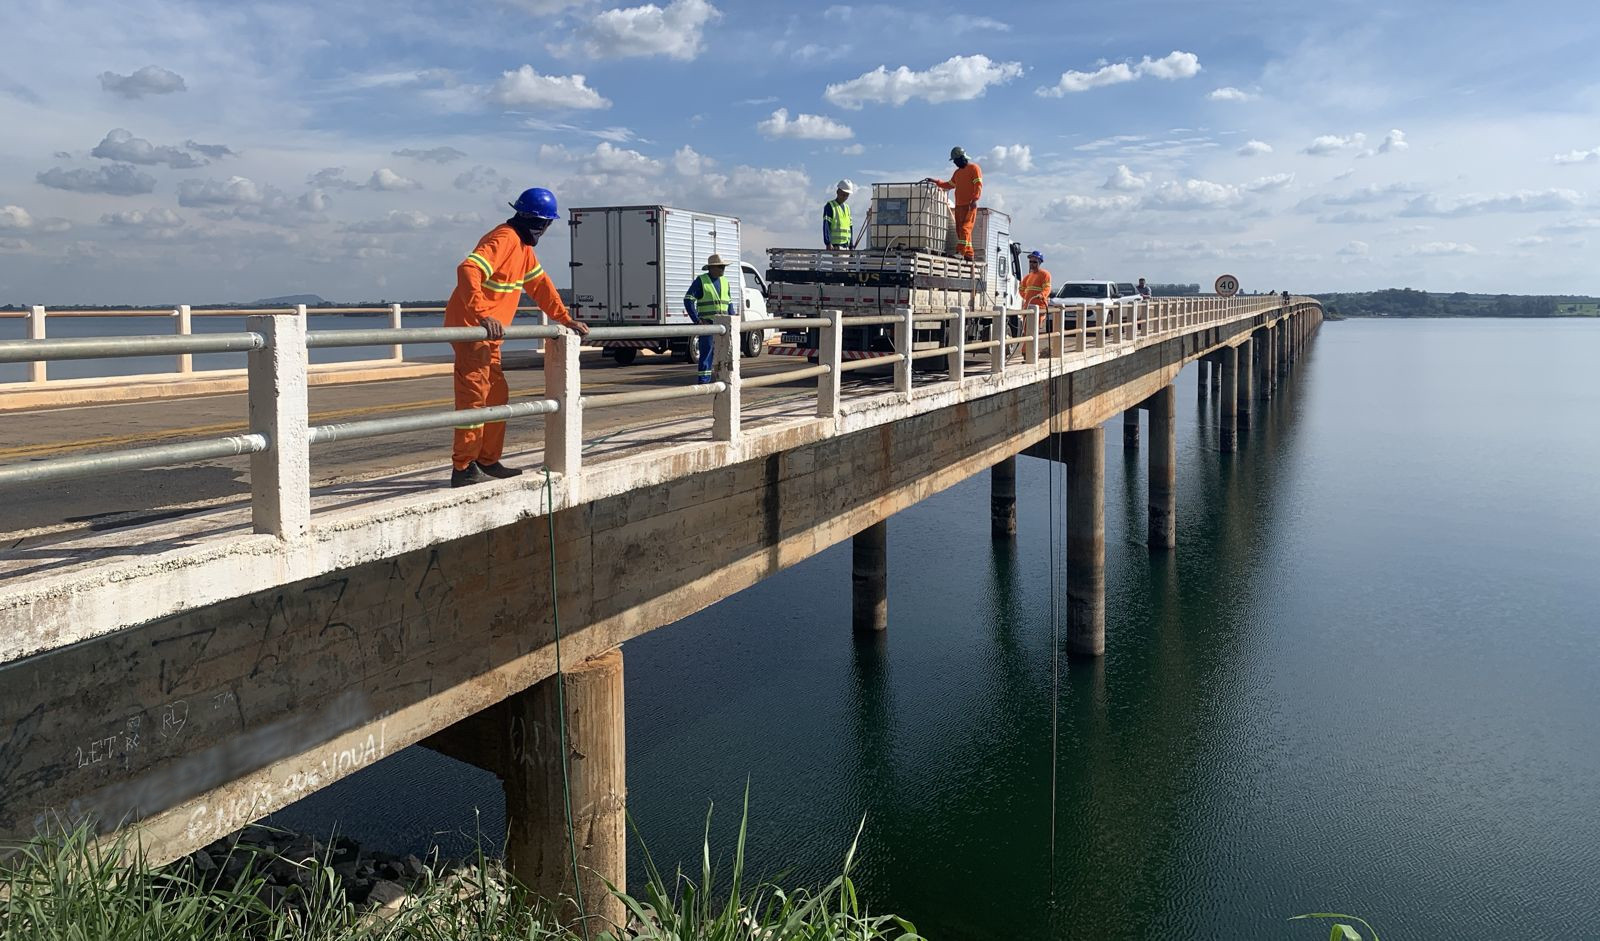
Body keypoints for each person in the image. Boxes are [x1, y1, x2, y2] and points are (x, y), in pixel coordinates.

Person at [445, 186, 589, 488]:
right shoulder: (505, 238)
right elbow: (468, 269)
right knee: (474, 399)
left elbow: (541, 286)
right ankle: (463, 467)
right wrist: (483, 313)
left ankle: (486, 459)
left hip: (488, 336)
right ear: (542, 223)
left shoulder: (523, 249)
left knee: (496, 396)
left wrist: (565, 319)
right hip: (474, 331)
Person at [922, 146, 983, 260]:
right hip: (959, 205)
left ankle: (960, 252)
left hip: (970, 205)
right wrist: (936, 182)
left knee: (965, 229)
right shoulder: (957, 173)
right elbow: (949, 184)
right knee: (960, 231)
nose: (955, 163)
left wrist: (975, 200)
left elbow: (978, 185)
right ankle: (969, 254)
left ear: (962, 158)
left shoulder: (974, 168)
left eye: (955, 160)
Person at [684, 253, 732, 384]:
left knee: (726, 353)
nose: (723, 269)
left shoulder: (725, 282)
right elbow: (688, 300)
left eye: (723, 266)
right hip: (709, 325)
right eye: (720, 266)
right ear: (711, 268)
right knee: (707, 354)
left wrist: (733, 320)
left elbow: (729, 303)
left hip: (724, 325)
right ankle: (704, 382)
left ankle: (724, 380)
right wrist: (697, 320)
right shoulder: (701, 281)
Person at [824, 179, 855, 249]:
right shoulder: (830, 206)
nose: (845, 197)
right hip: (836, 246)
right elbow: (826, 225)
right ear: (838, 192)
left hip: (846, 246)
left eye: (847, 195)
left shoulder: (847, 208)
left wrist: (851, 245)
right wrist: (828, 243)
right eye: (843, 194)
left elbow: (850, 228)